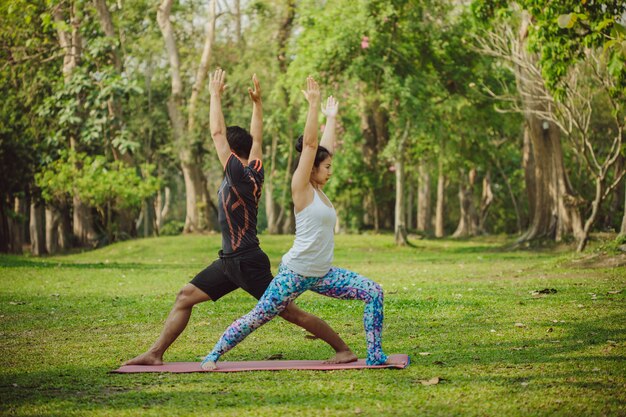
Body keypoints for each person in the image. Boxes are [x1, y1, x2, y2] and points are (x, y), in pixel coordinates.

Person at [124, 70, 357, 366]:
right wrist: (257, 106)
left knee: (289, 312)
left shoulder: (236, 173)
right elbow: (256, 138)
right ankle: (155, 354)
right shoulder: (254, 169)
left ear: (233, 153)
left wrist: (214, 95)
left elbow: (217, 133)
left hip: (246, 261)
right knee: (185, 296)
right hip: (229, 261)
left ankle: (342, 348)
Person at [201, 76, 389, 370]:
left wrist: (330, 117)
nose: (330, 171)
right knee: (258, 316)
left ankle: (375, 354)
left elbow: (322, 149)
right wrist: (313, 106)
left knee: (373, 292)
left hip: (323, 273)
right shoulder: (301, 186)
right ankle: (213, 354)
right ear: (312, 167)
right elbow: (312, 146)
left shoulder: (319, 189)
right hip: (296, 273)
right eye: (326, 168)